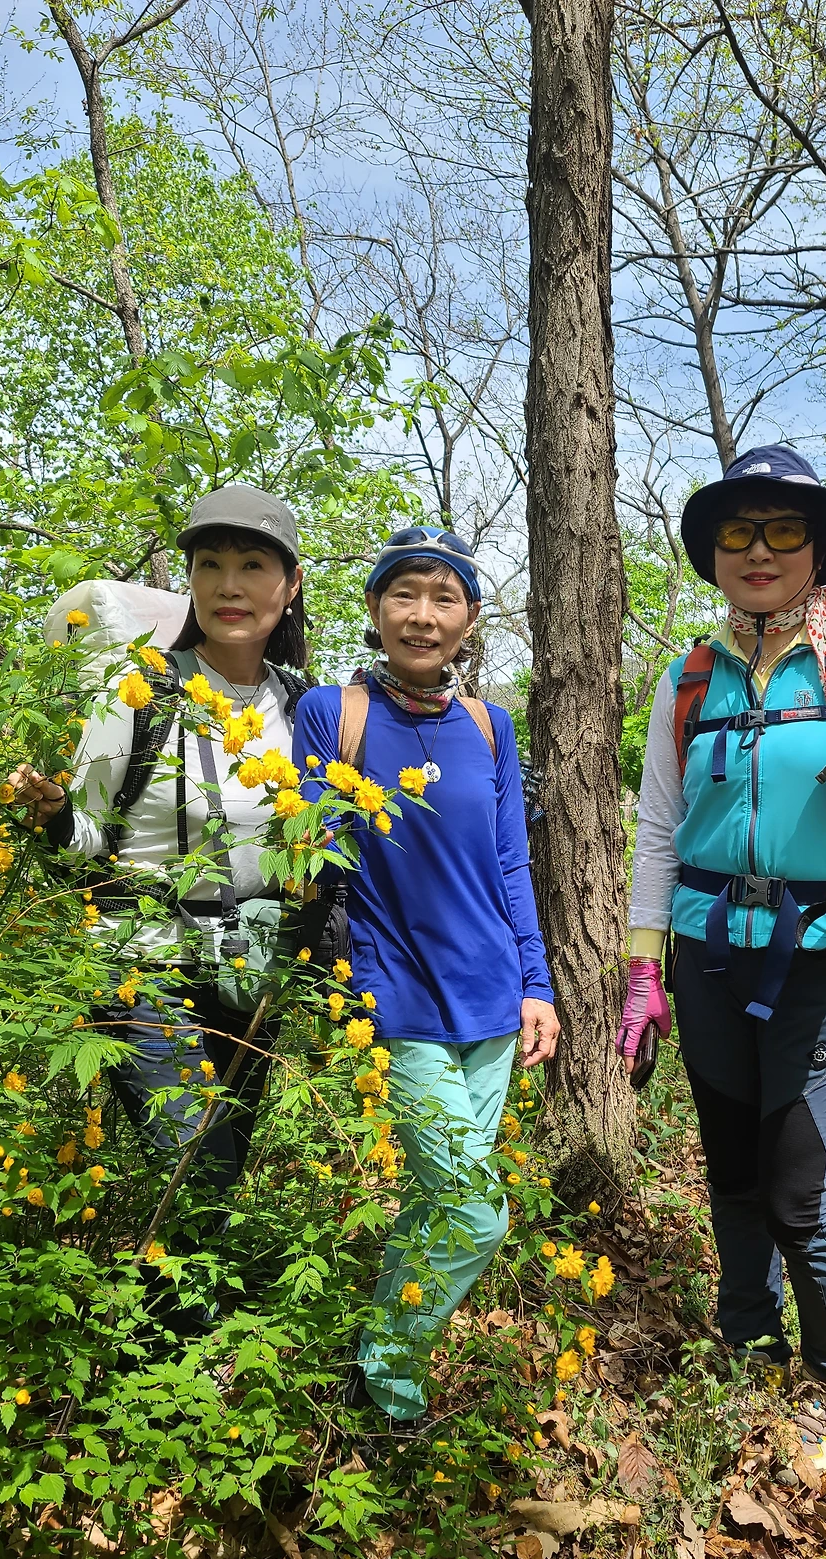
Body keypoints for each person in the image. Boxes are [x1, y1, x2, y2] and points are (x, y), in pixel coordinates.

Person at [616, 446, 826, 1474]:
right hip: (706, 956)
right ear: (712, 553)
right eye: (736, 532)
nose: (758, 550)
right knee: (730, 1171)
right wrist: (642, 966)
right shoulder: (687, 675)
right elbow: (657, 827)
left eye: (783, 529)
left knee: (799, 1190)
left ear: (817, 546)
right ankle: (746, 1338)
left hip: (815, 958)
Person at [6, 485, 312, 1275]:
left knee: (215, 1183)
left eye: (252, 566)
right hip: (144, 969)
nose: (228, 586)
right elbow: (86, 839)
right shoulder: (140, 689)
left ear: (290, 584)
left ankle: (166, 1330)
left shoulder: (301, 708)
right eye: (209, 565)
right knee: (198, 1171)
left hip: (248, 974)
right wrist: (50, 813)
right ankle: (183, 1339)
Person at [292, 526, 559, 1425]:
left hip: (492, 999)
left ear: (470, 620)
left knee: (437, 1204)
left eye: (444, 598)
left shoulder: (490, 725)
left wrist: (536, 984)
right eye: (404, 594)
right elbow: (312, 848)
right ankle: (388, 1374)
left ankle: (378, 1375)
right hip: (397, 998)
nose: (422, 615)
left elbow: (511, 863)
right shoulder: (334, 713)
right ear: (374, 609)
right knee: (478, 1213)